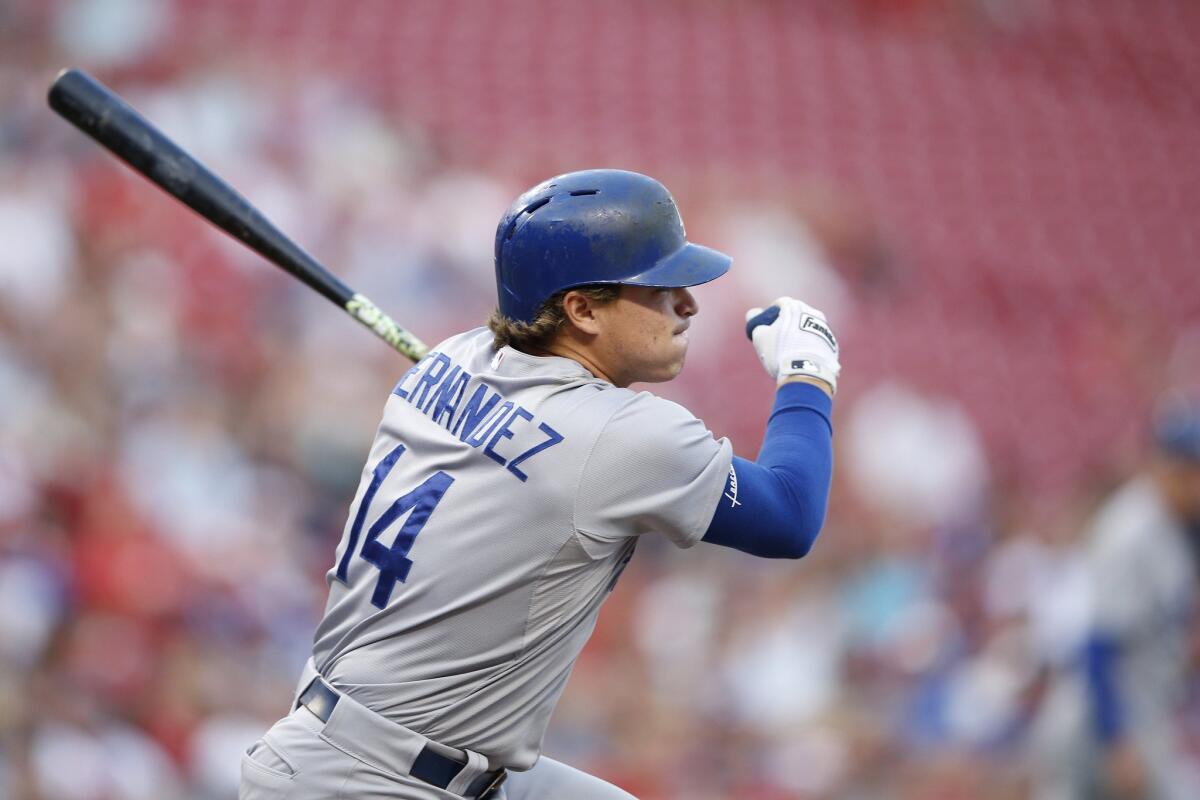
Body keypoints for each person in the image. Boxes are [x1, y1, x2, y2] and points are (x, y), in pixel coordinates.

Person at [239, 169, 841, 799]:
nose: (687, 304)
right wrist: (808, 375)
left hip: (372, 741)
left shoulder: (454, 357)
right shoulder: (620, 434)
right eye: (659, 287)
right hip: (366, 780)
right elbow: (790, 515)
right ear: (580, 309)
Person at [1032, 401, 1200, 800]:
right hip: (1096, 719)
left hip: (1149, 711)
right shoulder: (1128, 532)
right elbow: (1098, 646)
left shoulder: (1182, 522)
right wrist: (1117, 740)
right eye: (1188, 471)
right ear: (1163, 467)